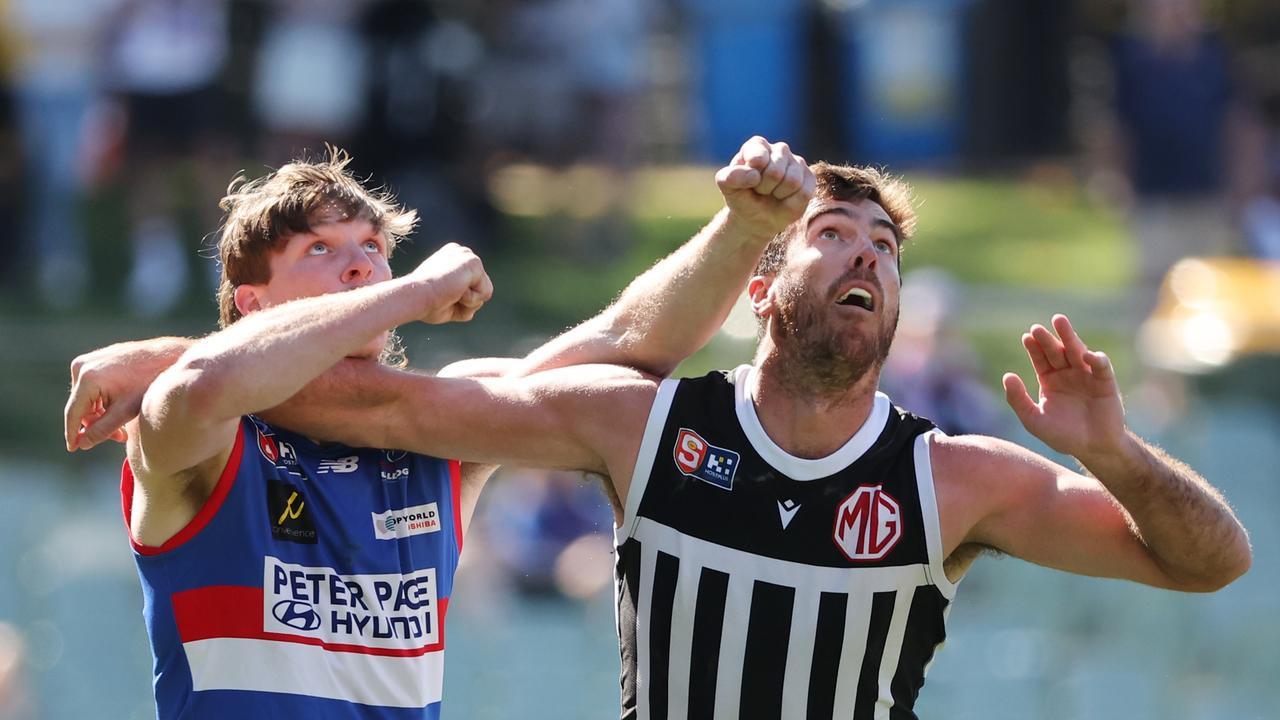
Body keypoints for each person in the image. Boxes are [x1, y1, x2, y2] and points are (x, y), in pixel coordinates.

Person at [72, 145, 1251, 718]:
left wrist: (1111, 449)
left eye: (885, 249)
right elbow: (239, 399)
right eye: (833, 235)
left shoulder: (956, 480)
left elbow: (1212, 565)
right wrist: (378, 302)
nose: (867, 260)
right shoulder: (639, 428)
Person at [63, 136, 819, 718]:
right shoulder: (197, 434)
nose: (360, 267)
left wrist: (742, 227)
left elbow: (625, 346)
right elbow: (206, 384)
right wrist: (413, 292)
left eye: (372, 248)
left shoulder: (438, 425)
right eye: (320, 250)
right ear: (251, 304)